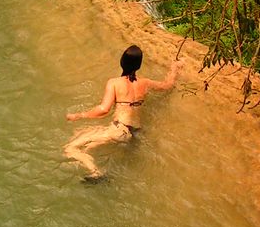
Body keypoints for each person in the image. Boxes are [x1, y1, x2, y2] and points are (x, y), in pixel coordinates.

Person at [64, 45, 181, 180]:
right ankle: (90, 159)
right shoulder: (145, 83)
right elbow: (168, 85)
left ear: (122, 62)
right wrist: (175, 67)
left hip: (119, 130)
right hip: (134, 133)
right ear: (138, 65)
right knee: (81, 136)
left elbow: (104, 109)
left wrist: (79, 115)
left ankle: (96, 172)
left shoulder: (114, 82)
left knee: (70, 148)